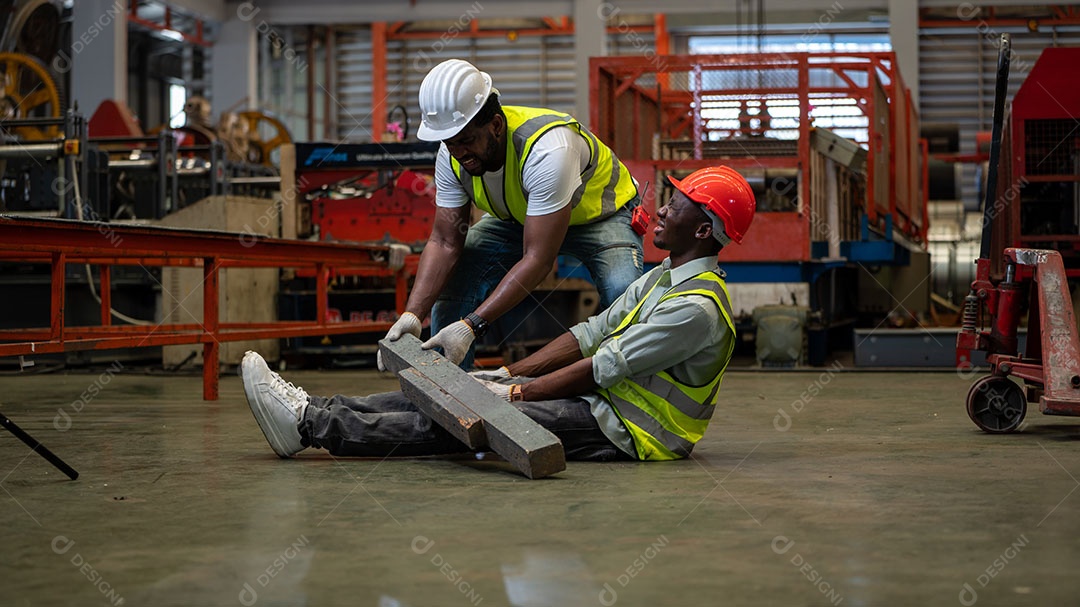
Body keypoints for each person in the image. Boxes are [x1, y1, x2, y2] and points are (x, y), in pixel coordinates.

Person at [242, 166, 755, 462]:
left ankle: (313, 426)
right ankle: (315, 404)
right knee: (454, 390)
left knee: (470, 419)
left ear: (704, 230)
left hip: (628, 430)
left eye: (679, 203)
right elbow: (591, 333)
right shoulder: (662, 276)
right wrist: (509, 372)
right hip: (602, 403)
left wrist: (512, 394)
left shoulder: (695, 308)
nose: (661, 208)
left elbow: (606, 364)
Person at [378, 58, 645, 370]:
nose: (459, 152)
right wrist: (412, 315)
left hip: (601, 218)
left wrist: (472, 325)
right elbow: (445, 242)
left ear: (495, 125)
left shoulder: (549, 150)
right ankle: (448, 393)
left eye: (466, 141)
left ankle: (625, 387)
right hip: (522, 219)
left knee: (624, 292)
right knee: (457, 279)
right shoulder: (451, 154)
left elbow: (538, 259)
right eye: (450, 143)